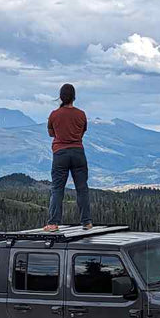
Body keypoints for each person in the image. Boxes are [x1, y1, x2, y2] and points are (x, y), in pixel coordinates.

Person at [44, 84, 92, 231]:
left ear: (60, 97)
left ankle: (53, 223)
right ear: (74, 97)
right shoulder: (81, 114)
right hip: (78, 152)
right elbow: (82, 132)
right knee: (82, 188)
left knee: (57, 189)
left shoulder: (54, 115)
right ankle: (86, 222)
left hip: (60, 154)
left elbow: (51, 133)